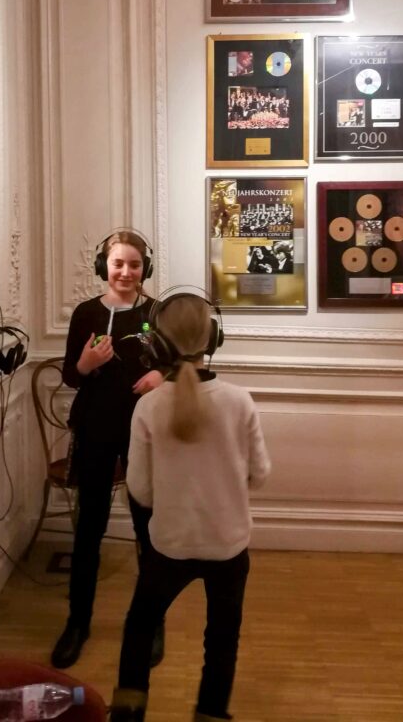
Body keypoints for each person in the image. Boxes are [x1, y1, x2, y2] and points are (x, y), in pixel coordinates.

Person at [110, 292, 271, 722]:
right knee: (221, 639)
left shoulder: (148, 405)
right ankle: (210, 713)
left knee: (141, 626)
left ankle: (128, 714)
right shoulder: (239, 401)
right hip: (228, 546)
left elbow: (140, 490)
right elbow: (260, 474)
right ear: (214, 337)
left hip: (170, 545)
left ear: (157, 347)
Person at [50, 230, 165, 670]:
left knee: (147, 529)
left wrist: (163, 377)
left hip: (144, 431)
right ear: (104, 266)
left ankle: (151, 622)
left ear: (145, 269)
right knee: (89, 529)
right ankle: (78, 622)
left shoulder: (157, 312)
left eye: (134, 265)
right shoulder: (85, 314)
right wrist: (86, 364)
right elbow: (70, 376)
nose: (126, 272)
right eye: (118, 263)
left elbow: (178, 365)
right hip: (96, 428)